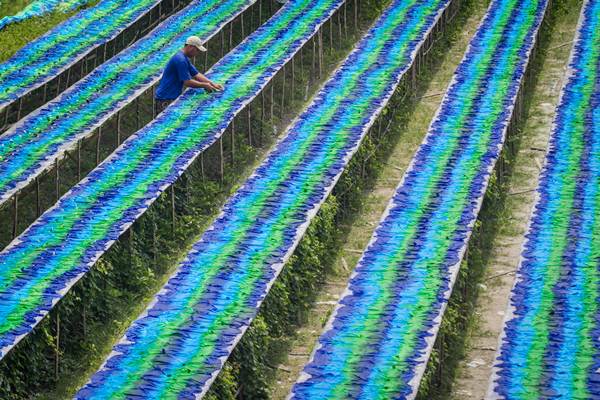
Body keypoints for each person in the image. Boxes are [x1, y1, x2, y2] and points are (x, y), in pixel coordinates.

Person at [154, 36, 223, 116]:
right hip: (165, 98)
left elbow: (196, 74)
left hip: (171, 96)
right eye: (197, 50)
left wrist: (212, 84)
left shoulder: (184, 58)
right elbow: (187, 82)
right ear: (190, 47)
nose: (197, 53)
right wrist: (204, 85)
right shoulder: (180, 60)